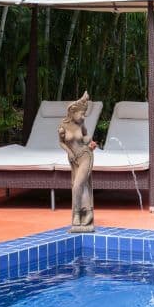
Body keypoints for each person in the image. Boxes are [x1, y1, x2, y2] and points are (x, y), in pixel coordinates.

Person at [59, 92, 98, 232]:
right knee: (82, 186)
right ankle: (87, 213)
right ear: (73, 112)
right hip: (74, 160)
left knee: (77, 185)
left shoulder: (81, 125)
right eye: (81, 114)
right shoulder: (63, 126)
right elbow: (61, 142)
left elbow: (87, 137)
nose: (83, 117)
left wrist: (91, 143)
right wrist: (69, 152)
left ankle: (77, 214)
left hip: (85, 156)